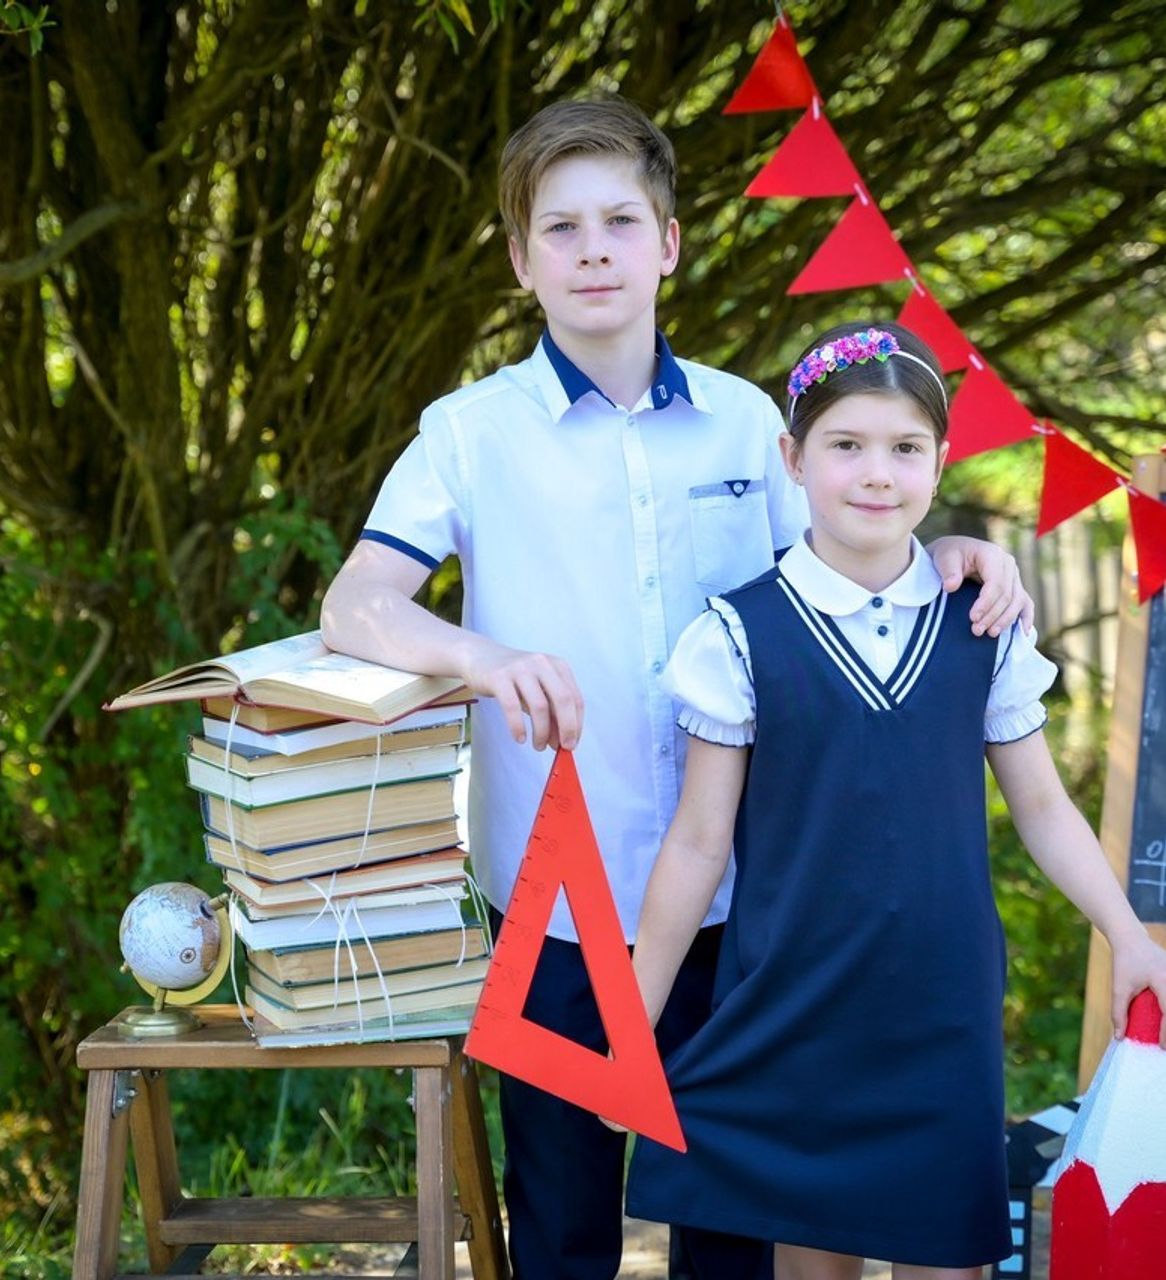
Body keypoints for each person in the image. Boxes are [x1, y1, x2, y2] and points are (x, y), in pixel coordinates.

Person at [320, 96, 1030, 1280]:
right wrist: (481, 657)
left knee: (730, 1230)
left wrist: (958, 554)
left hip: (744, 904)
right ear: (518, 258)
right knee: (563, 1228)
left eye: (618, 220)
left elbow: (848, 561)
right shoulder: (467, 433)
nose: (592, 248)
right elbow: (355, 606)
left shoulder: (749, 425)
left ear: (669, 243)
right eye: (559, 227)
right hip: (555, 900)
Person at [617, 321, 1166, 1280]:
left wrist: (1128, 935)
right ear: (793, 458)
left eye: (905, 448)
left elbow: (1044, 810)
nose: (876, 473)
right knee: (813, 1265)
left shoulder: (983, 624)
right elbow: (699, 843)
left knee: (946, 1264)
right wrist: (634, 1016)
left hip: (941, 1012)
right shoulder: (737, 635)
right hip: (795, 1007)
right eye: (846, 445)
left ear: (940, 459)